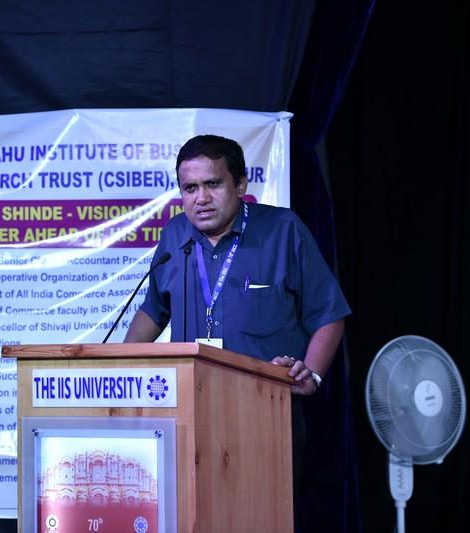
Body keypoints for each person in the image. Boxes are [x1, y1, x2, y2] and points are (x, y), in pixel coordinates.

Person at [123, 134, 351, 525]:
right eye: (189, 188)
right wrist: (119, 368)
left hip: (264, 416)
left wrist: (312, 374)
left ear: (240, 184)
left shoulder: (283, 230)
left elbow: (329, 314)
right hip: (188, 416)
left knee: (259, 521)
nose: (201, 198)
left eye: (213, 184)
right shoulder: (175, 235)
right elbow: (153, 311)